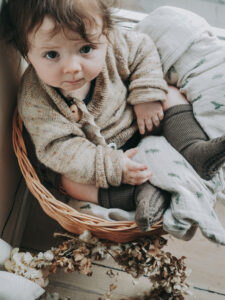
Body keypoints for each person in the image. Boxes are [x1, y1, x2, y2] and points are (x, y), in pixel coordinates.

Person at [1, 0, 224, 232]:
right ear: (27, 52)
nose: (73, 67)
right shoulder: (34, 99)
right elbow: (59, 149)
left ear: (105, 34)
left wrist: (145, 96)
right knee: (69, 181)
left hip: (139, 122)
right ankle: (139, 195)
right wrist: (111, 166)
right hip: (92, 158)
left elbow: (143, 50)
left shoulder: (116, 45)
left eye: (86, 49)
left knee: (170, 93)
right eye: (52, 54)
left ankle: (194, 148)